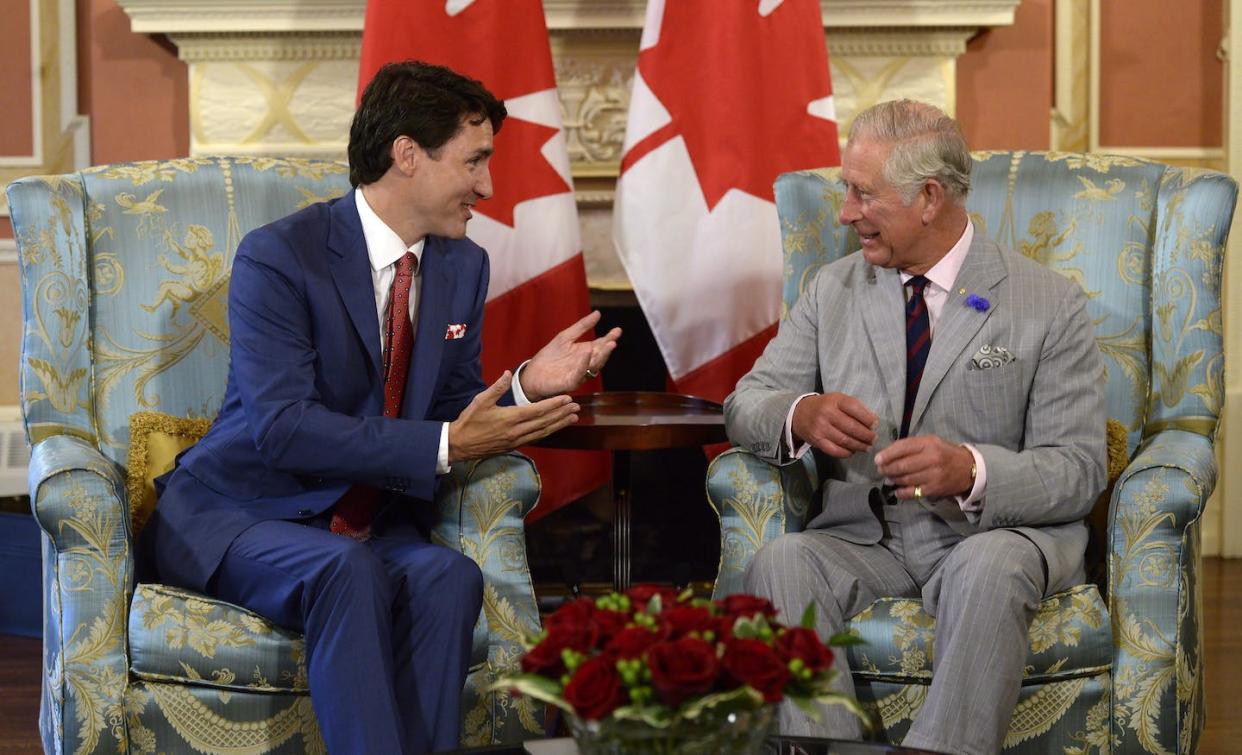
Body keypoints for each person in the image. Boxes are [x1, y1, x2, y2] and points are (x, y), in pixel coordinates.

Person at [138, 60, 621, 754]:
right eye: (474, 160)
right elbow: (282, 427)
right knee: (348, 570)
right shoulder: (279, 258)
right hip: (241, 510)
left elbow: (451, 406)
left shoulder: (461, 265)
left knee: (450, 574)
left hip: (364, 522)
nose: (488, 185)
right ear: (407, 155)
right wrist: (446, 444)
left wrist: (525, 385)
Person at [724, 99, 1106, 755]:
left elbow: (1078, 469)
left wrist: (971, 470)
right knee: (781, 559)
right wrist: (800, 413)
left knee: (992, 565)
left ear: (930, 197)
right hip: (865, 539)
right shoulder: (833, 289)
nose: (845, 212)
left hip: (989, 534)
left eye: (863, 194)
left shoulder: (1048, 302)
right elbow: (745, 401)